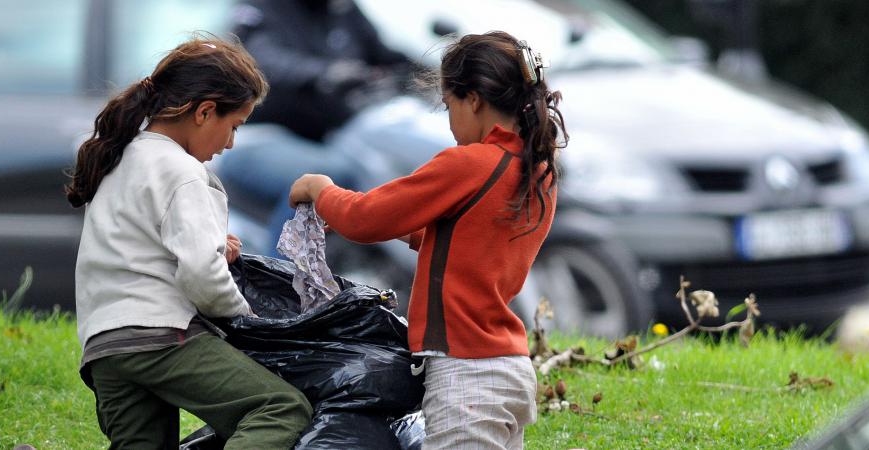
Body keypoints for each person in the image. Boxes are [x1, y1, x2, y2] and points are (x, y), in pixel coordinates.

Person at [288, 31, 567, 449]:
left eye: (448, 105)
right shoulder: (536, 169)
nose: (450, 120)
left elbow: (366, 219)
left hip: (467, 375)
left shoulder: (468, 163)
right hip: (509, 367)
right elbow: (465, 238)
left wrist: (320, 189)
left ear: (472, 100)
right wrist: (386, 224)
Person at [65, 36, 312, 449]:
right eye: (234, 126)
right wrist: (246, 319)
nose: (230, 143)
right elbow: (200, 274)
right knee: (278, 407)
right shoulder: (182, 172)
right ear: (204, 112)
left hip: (105, 346)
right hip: (161, 336)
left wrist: (217, 248)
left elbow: (144, 245)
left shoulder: (121, 158)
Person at [219, 0, 414, 255]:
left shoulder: (342, 9)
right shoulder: (261, 7)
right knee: (323, 177)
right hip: (260, 136)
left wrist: (441, 70)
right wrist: (323, 73)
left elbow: (386, 55)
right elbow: (258, 58)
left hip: (328, 141)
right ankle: (281, 285)